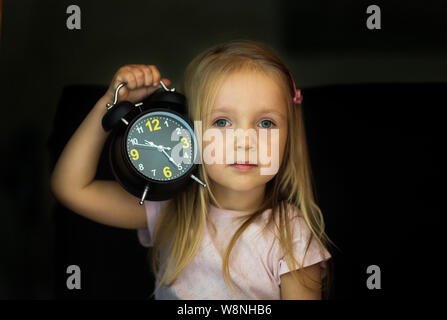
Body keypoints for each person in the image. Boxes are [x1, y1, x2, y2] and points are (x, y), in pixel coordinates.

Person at [50, 39, 334, 300]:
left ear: (288, 137)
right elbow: (71, 188)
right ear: (190, 134)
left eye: (266, 123)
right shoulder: (172, 211)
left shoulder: (289, 235)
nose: (246, 142)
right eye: (222, 122)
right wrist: (110, 105)